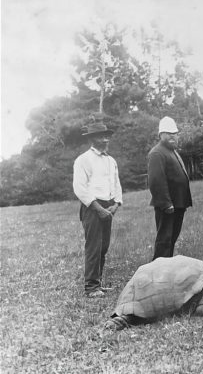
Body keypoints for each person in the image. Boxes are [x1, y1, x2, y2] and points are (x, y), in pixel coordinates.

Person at [73, 120, 122, 298]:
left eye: (107, 136)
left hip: (108, 206)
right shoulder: (83, 160)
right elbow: (80, 188)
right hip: (92, 207)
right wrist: (98, 208)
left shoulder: (111, 160)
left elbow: (116, 183)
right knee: (93, 247)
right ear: (91, 139)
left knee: (103, 247)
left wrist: (116, 203)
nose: (105, 139)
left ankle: (98, 283)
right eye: (101, 136)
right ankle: (91, 287)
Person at [147, 116, 192, 260]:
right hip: (168, 205)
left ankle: (167, 269)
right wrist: (166, 203)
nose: (173, 136)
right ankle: (157, 271)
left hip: (178, 203)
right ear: (161, 135)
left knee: (171, 239)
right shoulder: (157, 153)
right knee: (164, 240)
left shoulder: (172, 151)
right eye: (168, 133)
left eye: (175, 133)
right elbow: (156, 181)